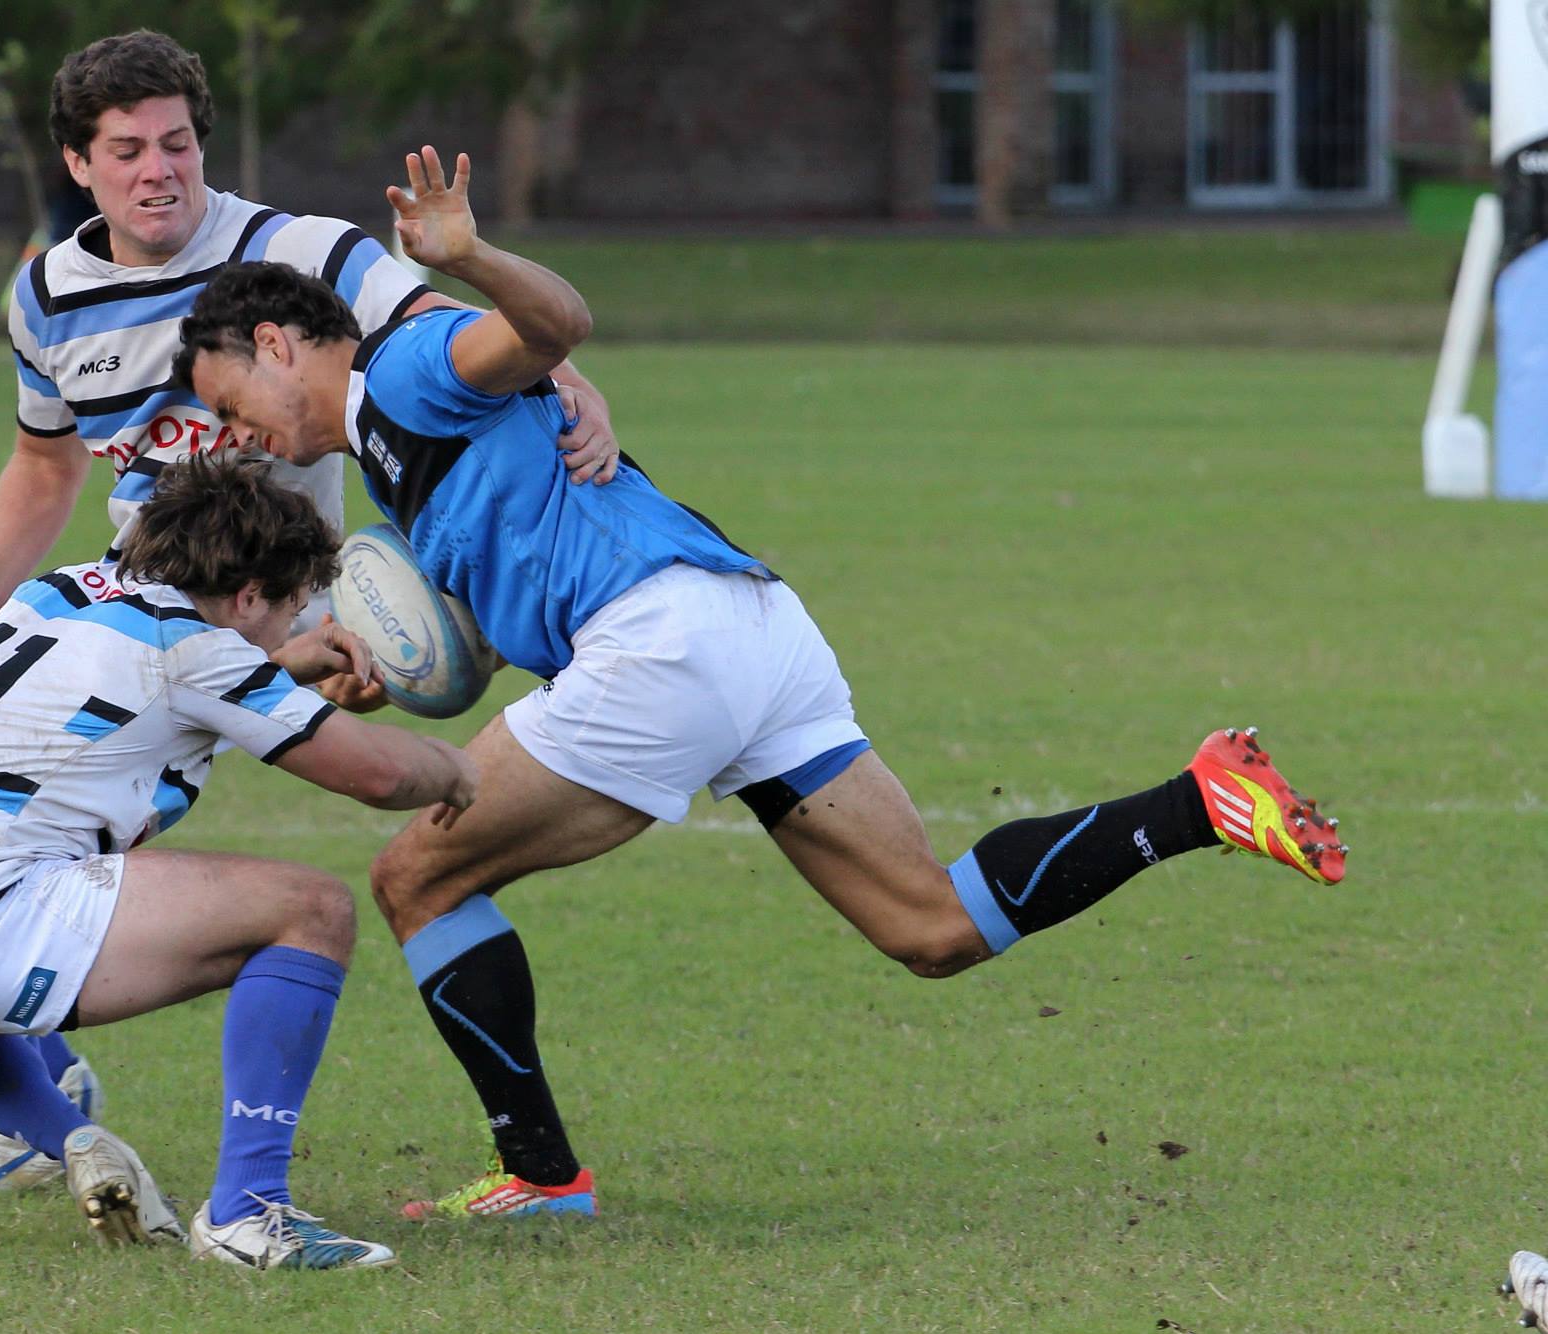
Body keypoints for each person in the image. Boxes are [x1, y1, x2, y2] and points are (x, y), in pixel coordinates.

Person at [175, 146, 1352, 1222]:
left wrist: (471, 257)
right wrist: (416, 668)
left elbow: (555, 323)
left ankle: (541, 1174)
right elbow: (494, 598)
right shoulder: (399, 459)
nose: (239, 435)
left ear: (275, 344)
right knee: (931, 927)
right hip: (748, 623)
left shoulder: (404, 374)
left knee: (414, 874)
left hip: (658, 644)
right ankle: (1199, 800)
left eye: (229, 403)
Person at [0, 26, 620, 1193]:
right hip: (129, 617)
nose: (155, 170)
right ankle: (31, 1092)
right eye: (125, 150)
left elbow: (469, 335)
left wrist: (572, 380)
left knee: (78, 843)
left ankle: (35, 1104)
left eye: (175, 143)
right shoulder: (45, 296)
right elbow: (42, 462)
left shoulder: (300, 250)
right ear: (79, 163)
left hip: (272, 611)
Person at [0, 458, 477, 1265]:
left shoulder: (57, 593)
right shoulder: (196, 649)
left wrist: (288, 664)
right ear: (244, 598)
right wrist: (455, 767)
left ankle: (73, 1138)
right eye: (292, 610)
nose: (292, 630)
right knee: (311, 908)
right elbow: (378, 774)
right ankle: (250, 1214)